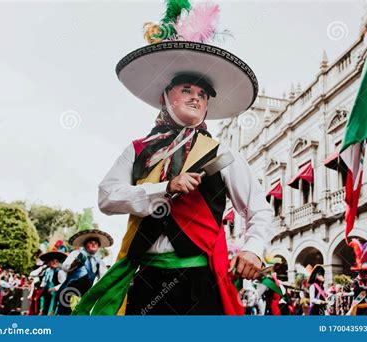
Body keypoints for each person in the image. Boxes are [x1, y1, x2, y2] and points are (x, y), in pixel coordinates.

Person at [73, 0, 272, 316]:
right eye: (187, 89)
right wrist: (163, 188)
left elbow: (258, 208)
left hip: (201, 282)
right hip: (146, 279)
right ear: (165, 97)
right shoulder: (137, 150)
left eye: (203, 94)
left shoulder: (222, 153)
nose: (196, 97)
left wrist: (253, 249)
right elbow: (107, 198)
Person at [56, 228, 112, 315]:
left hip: (83, 296)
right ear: (85, 245)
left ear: (98, 246)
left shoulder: (99, 262)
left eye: (96, 243)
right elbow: (65, 267)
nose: (93, 245)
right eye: (91, 243)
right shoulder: (77, 253)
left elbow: (102, 278)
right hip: (69, 291)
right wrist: (75, 263)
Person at [346, 239, 367, 315]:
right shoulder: (355, 282)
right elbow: (357, 290)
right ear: (361, 272)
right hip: (358, 310)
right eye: (365, 272)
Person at [37, 250, 67, 315]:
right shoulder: (47, 270)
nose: (54, 262)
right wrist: (43, 287)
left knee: (52, 310)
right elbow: (45, 281)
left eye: (56, 261)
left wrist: (54, 288)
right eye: (52, 260)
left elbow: (64, 283)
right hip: (47, 293)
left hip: (55, 295)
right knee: (43, 308)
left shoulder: (59, 272)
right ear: (49, 262)